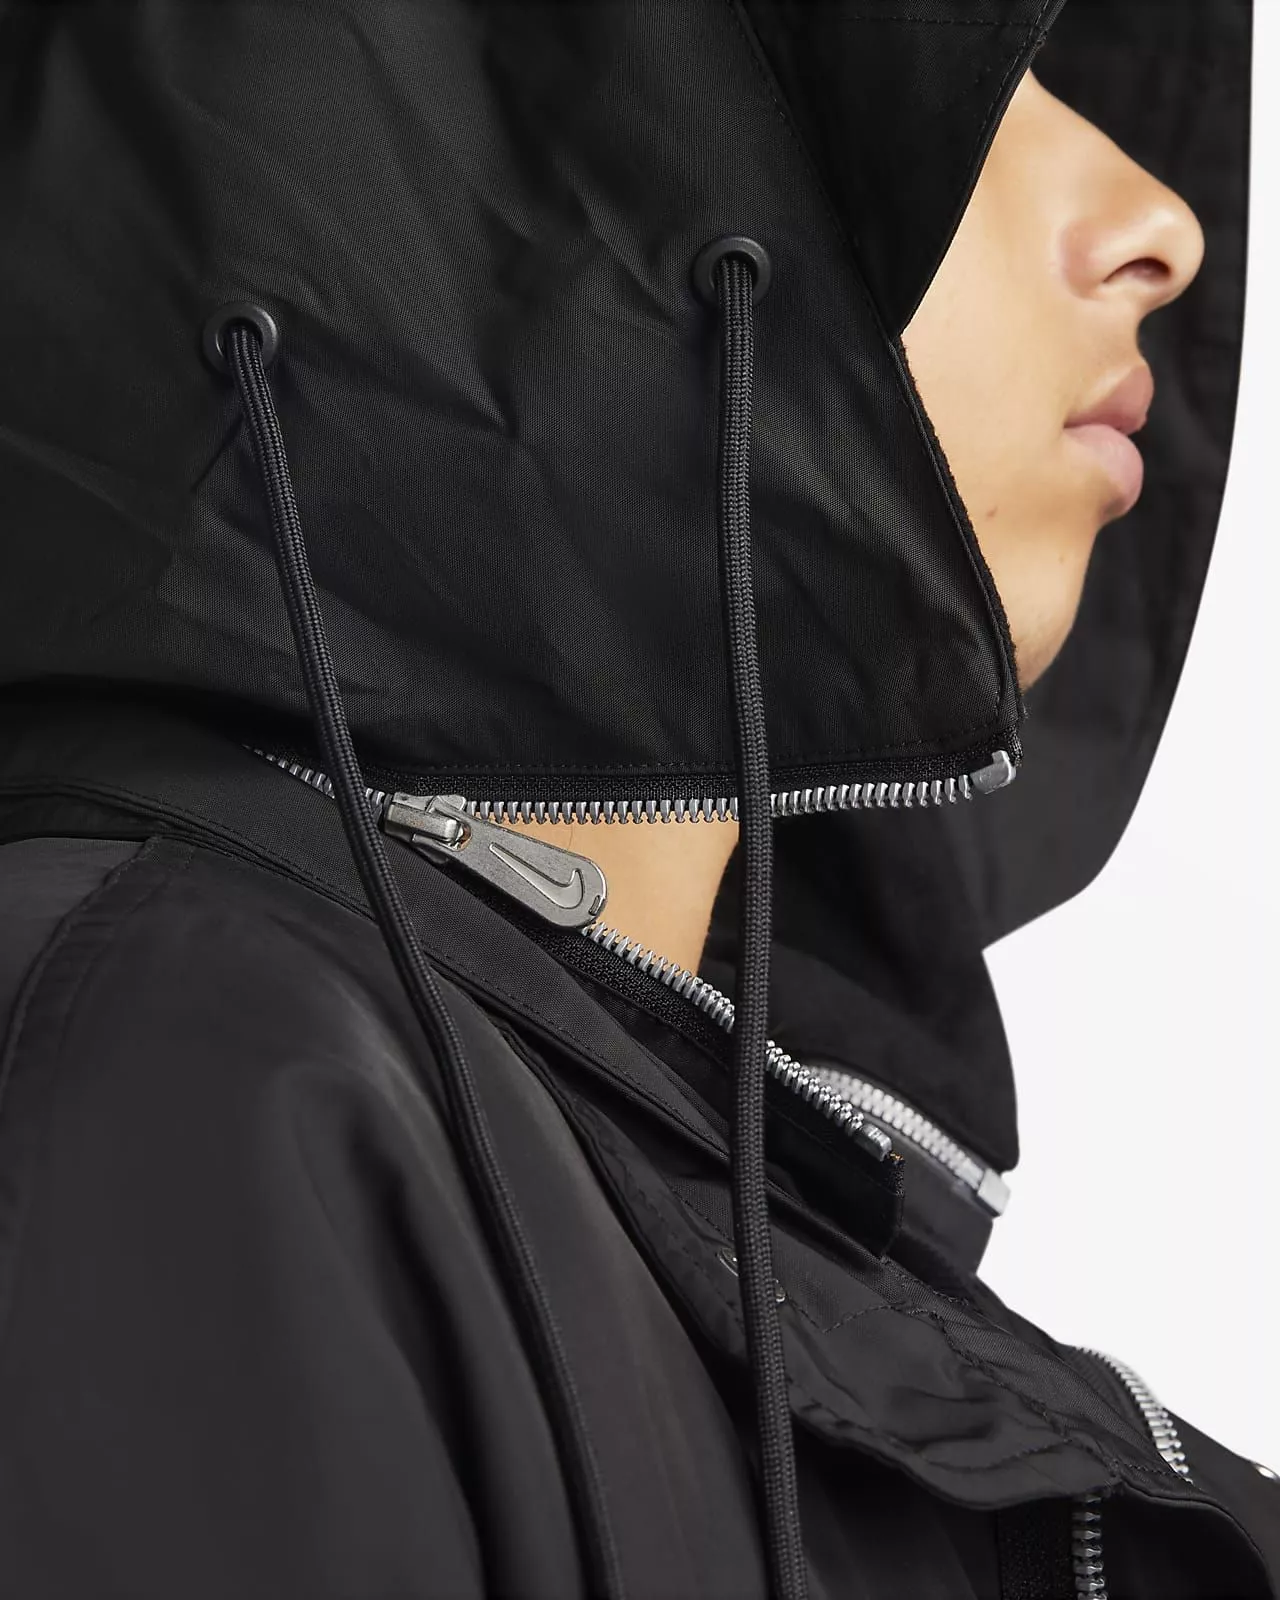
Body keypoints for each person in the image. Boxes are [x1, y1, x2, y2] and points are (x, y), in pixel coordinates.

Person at [0, 2, 1269, 1597]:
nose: (1161, 227)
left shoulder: (752, 1207)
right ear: (490, 156)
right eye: (965, 84)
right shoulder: (184, 1073)